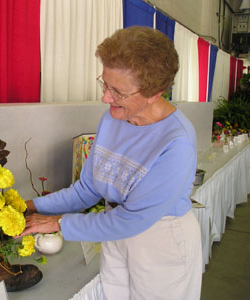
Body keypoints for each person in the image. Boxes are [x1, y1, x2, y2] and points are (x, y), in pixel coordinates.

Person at [20, 26, 202, 300]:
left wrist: (58, 223)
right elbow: (88, 189)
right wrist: (30, 207)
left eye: (117, 91)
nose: (105, 98)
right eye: (105, 84)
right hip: (114, 229)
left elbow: (132, 220)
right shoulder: (113, 118)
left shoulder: (176, 141)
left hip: (160, 240)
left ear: (155, 92)